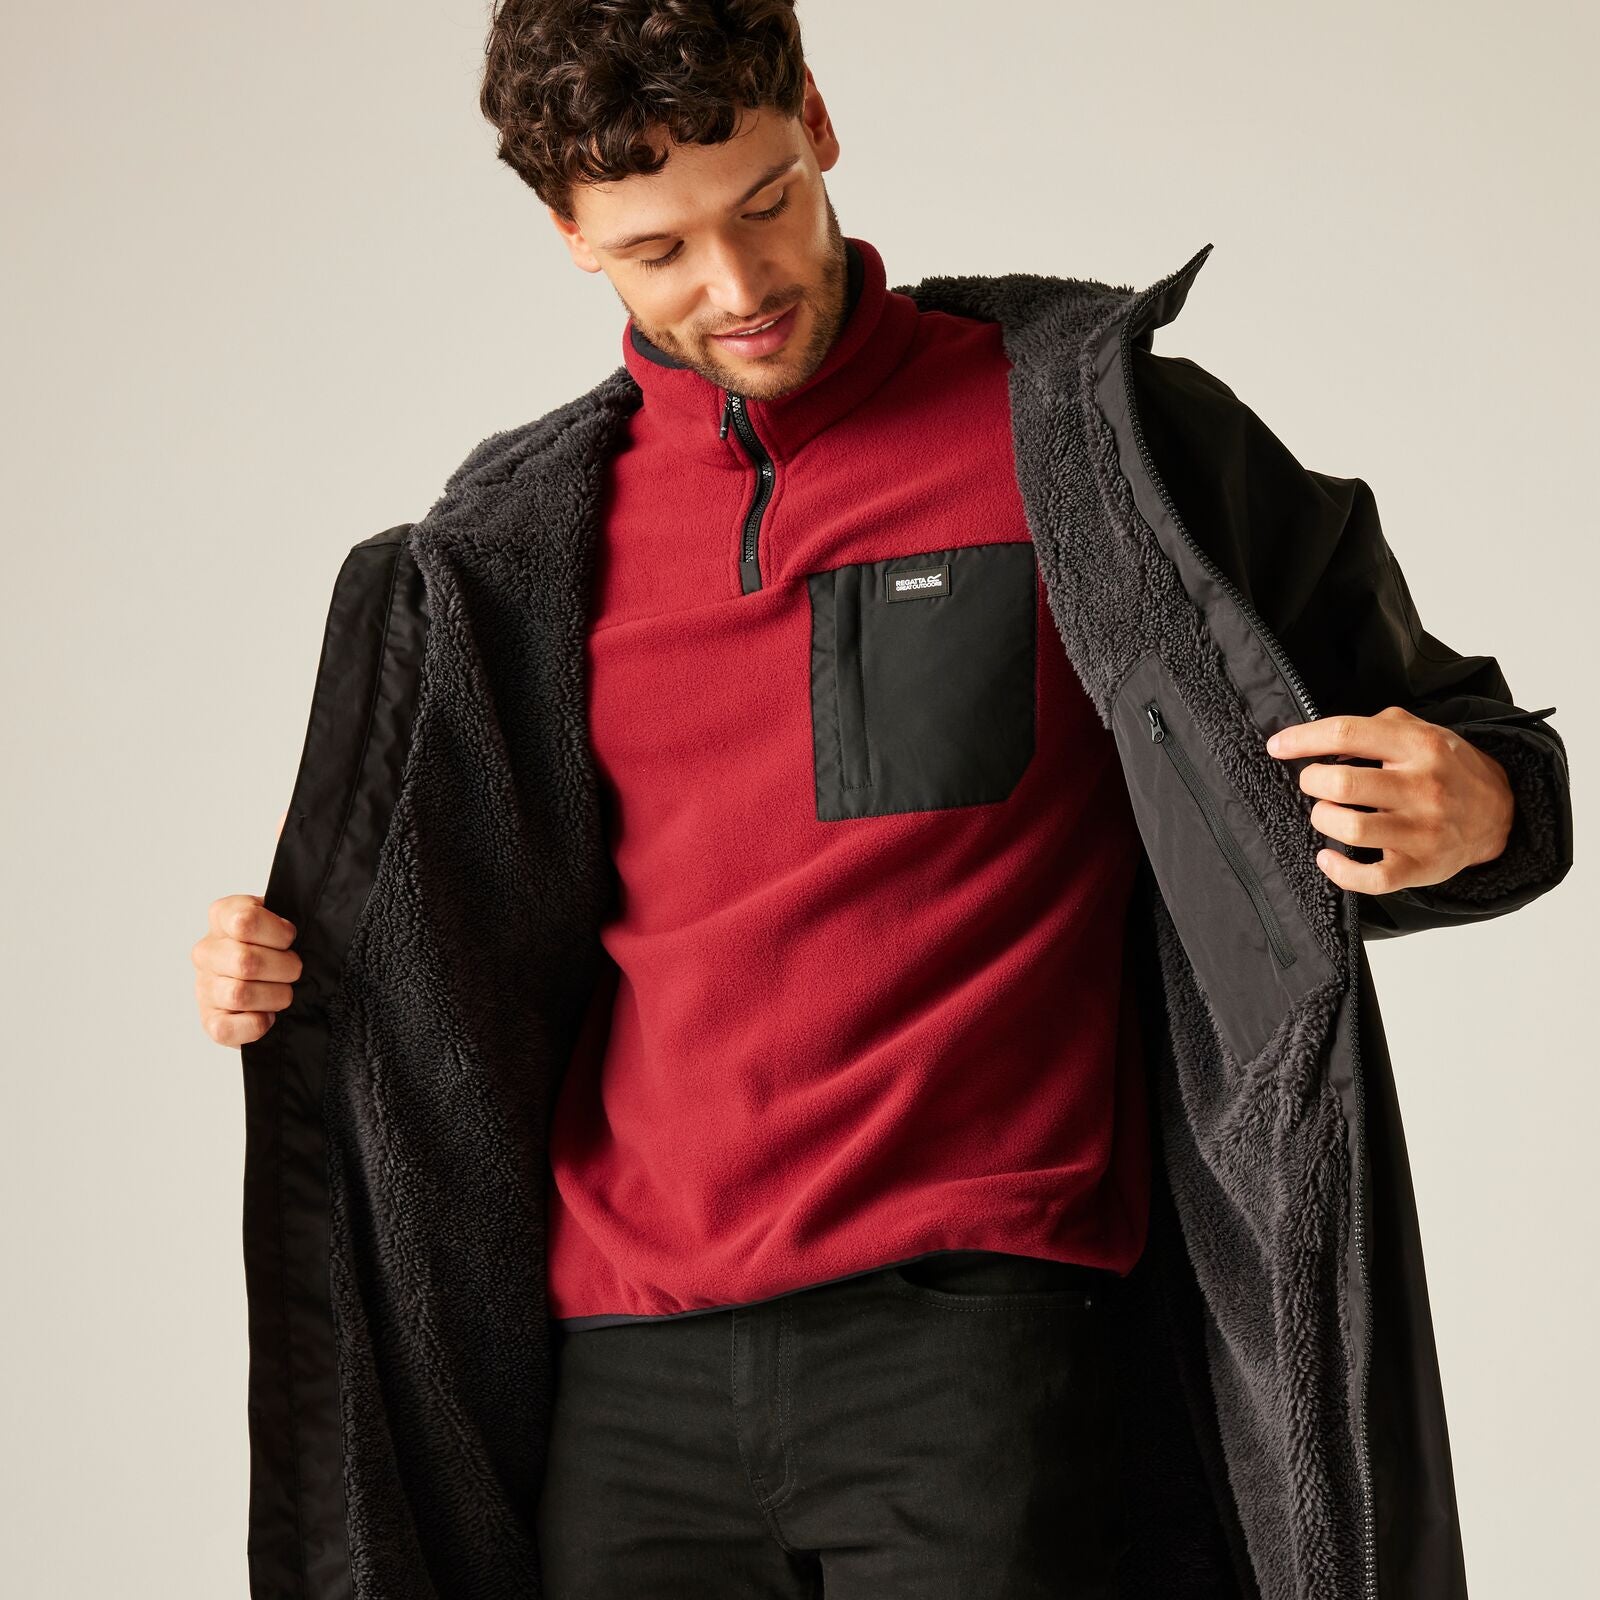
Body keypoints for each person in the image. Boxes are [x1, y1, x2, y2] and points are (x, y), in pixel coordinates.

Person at [191, 5, 1571, 1598]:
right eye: (658, 250)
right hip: (626, 1384)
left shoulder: (1102, 451)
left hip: (974, 1357)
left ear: (819, 121)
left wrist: (1481, 809)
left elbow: (1467, 751)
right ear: (569, 234)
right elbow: (448, 965)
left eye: (764, 201)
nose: (737, 285)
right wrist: (289, 970)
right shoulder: (509, 557)